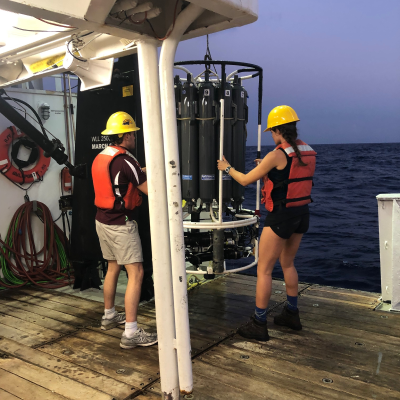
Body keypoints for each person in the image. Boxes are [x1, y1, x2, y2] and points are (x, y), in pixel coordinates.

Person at [217, 105, 316, 341]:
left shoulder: (276, 156)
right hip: (302, 213)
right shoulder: (307, 150)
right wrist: (269, 164)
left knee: (264, 269)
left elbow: (244, 180)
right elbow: (289, 171)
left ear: (279, 130)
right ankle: (292, 314)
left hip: (281, 217)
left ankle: (259, 323)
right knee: (288, 264)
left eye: (272, 132)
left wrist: (227, 168)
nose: (272, 136)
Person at [92, 111, 157, 349]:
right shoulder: (127, 159)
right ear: (126, 135)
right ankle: (131, 332)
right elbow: (150, 191)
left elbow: (123, 176)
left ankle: (109, 316)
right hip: (121, 224)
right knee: (136, 273)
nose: (135, 138)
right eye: (132, 134)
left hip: (102, 220)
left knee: (112, 267)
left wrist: (142, 170)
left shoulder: (103, 156)